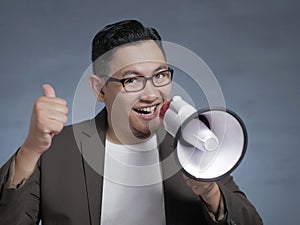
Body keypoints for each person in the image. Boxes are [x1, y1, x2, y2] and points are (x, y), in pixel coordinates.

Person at [0, 20, 263, 225]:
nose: (151, 94)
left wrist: (211, 193)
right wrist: (31, 149)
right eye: (132, 80)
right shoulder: (56, 150)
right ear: (100, 89)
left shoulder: (191, 142)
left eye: (160, 75)